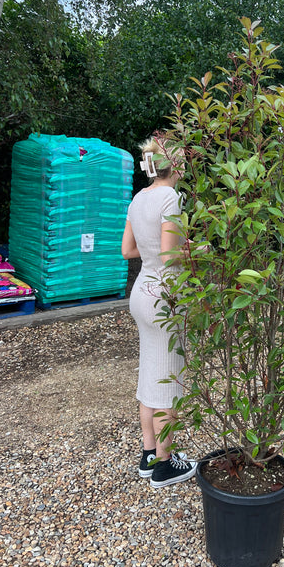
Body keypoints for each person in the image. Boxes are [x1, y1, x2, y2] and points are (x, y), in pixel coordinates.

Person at [121, 135, 196, 488]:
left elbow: (128, 250)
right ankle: (166, 465)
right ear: (176, 166)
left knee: (149, 371)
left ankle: (149, 455)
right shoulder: (171, 197)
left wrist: (163, 246)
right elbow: (170, 257)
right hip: (165, 295)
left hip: (141, 293)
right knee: (170, 378)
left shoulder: (139, 198)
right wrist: (197, 249)